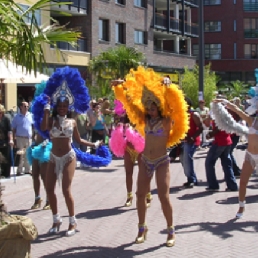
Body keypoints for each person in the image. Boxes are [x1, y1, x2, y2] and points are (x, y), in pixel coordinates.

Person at [112, 66, 189, 247]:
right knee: (140, 195)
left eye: (154, 105)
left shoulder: (167, 119)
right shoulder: (144, 119)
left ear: (159, 106)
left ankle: (171, 230)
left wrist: (168, 87)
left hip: (162, 161)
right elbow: (129, 104)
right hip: (145, 160)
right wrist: (121, 87)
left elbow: (176, 106)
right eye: (148, 105)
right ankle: (141, 228)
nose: (151, 108)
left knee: (163, 195)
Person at [41, 96, 102, 236]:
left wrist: (94, 145)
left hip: (69, 157)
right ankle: (56, 220)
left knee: (65, 190)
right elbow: (43, 127)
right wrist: (46, 109)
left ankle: (72, 221)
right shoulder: (52, 120)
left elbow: (78, 139)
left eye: (65, 106)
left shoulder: (72, 122)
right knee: (49, 189)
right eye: (60, 106)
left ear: (68, 108)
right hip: (53, 157)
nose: (62, 108)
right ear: (57, 107)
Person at [214, 82, 258, 218]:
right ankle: (241, 208)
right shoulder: (252, 121)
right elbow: (237, 110)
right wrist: (225, 101)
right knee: (243, 182)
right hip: (250, 155)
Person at [205, 117, 238, 192]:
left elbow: (217, 129)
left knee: (209, 163)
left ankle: (213, 185)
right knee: (227, 164)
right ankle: (232, 186)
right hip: (227, 141)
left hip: (220, 142)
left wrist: (210, 135)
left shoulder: (218, 115)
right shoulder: (225, 114)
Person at [182, 97, 203, 188]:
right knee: (184, 160)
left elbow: (201, 128)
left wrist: (192, 137)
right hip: (184, 141)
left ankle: (192, 180)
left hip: (192, 141)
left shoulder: (194, 114)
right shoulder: (181, 114)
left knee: (187, 159)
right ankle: (191, 178)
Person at [11, 101, 34, 176]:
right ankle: (19, 170)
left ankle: (27, 169)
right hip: (19, 138)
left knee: (27, 154)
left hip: (28, 138)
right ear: (21, 107)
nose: (26, 108)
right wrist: (13, 138)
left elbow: (33, 126)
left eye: (27, 106)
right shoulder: (17, 117)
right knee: (20, 154)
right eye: (25, 106)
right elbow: (13, 129)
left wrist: (33, 136)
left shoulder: (31, 115)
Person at [30, 133, 50, 210]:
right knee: (34, 174)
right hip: (37, 147)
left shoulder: (49, 121)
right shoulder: (36, 122)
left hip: (45, 148)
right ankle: (37, 198)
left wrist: (45, 142)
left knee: (44, 176)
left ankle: (49, 200)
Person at [0, 104, 14, 178]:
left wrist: (11, 139)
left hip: (5, 140)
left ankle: (6, 174)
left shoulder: (6, 119)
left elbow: (9, 131)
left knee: (6, 157)